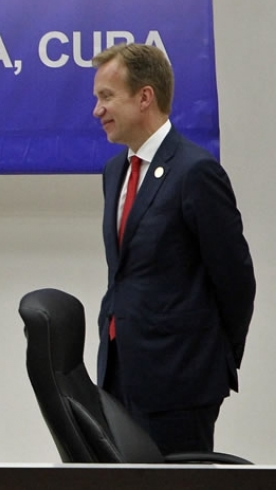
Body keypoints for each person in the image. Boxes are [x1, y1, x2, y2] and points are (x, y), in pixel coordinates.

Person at [90, 43, 254, 454]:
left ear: (144, 97)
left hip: (180, 386)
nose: (97, 110)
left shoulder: (195, 172)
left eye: (107, 96)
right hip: (119, 375)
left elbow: (236, 281)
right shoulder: (114, 171)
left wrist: (213, 360)